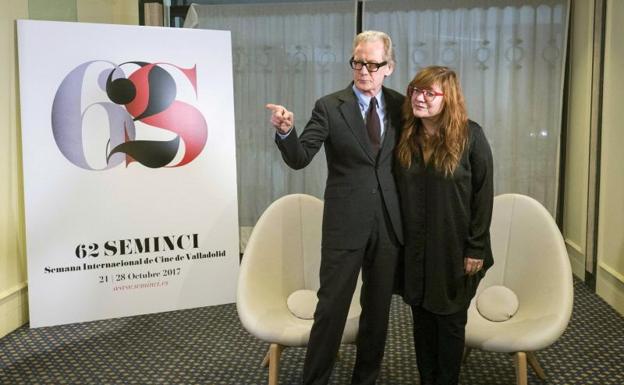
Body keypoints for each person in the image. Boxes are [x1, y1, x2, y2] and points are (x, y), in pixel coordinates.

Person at [266, 31, 404, 385]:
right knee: (331, 308)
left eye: (373, 64)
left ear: (389, 67)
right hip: (345, 224)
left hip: (389, 225)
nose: (364, 71)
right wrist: (286, 132)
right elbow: (300, 158)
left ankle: (366, 378)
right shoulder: (329, 106)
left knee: (377, 310)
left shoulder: (403, 107)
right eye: (358, 62)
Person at [395, 66, 494, 385]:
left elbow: (484, 195)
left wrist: (475, 248)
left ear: (447, 98)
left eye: (429, 93)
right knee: (422, 322)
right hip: (416, 250)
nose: (419, 99)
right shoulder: (407, 136)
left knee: (449, 324)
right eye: (415, 91)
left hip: (456, 249)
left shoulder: (470, 135)